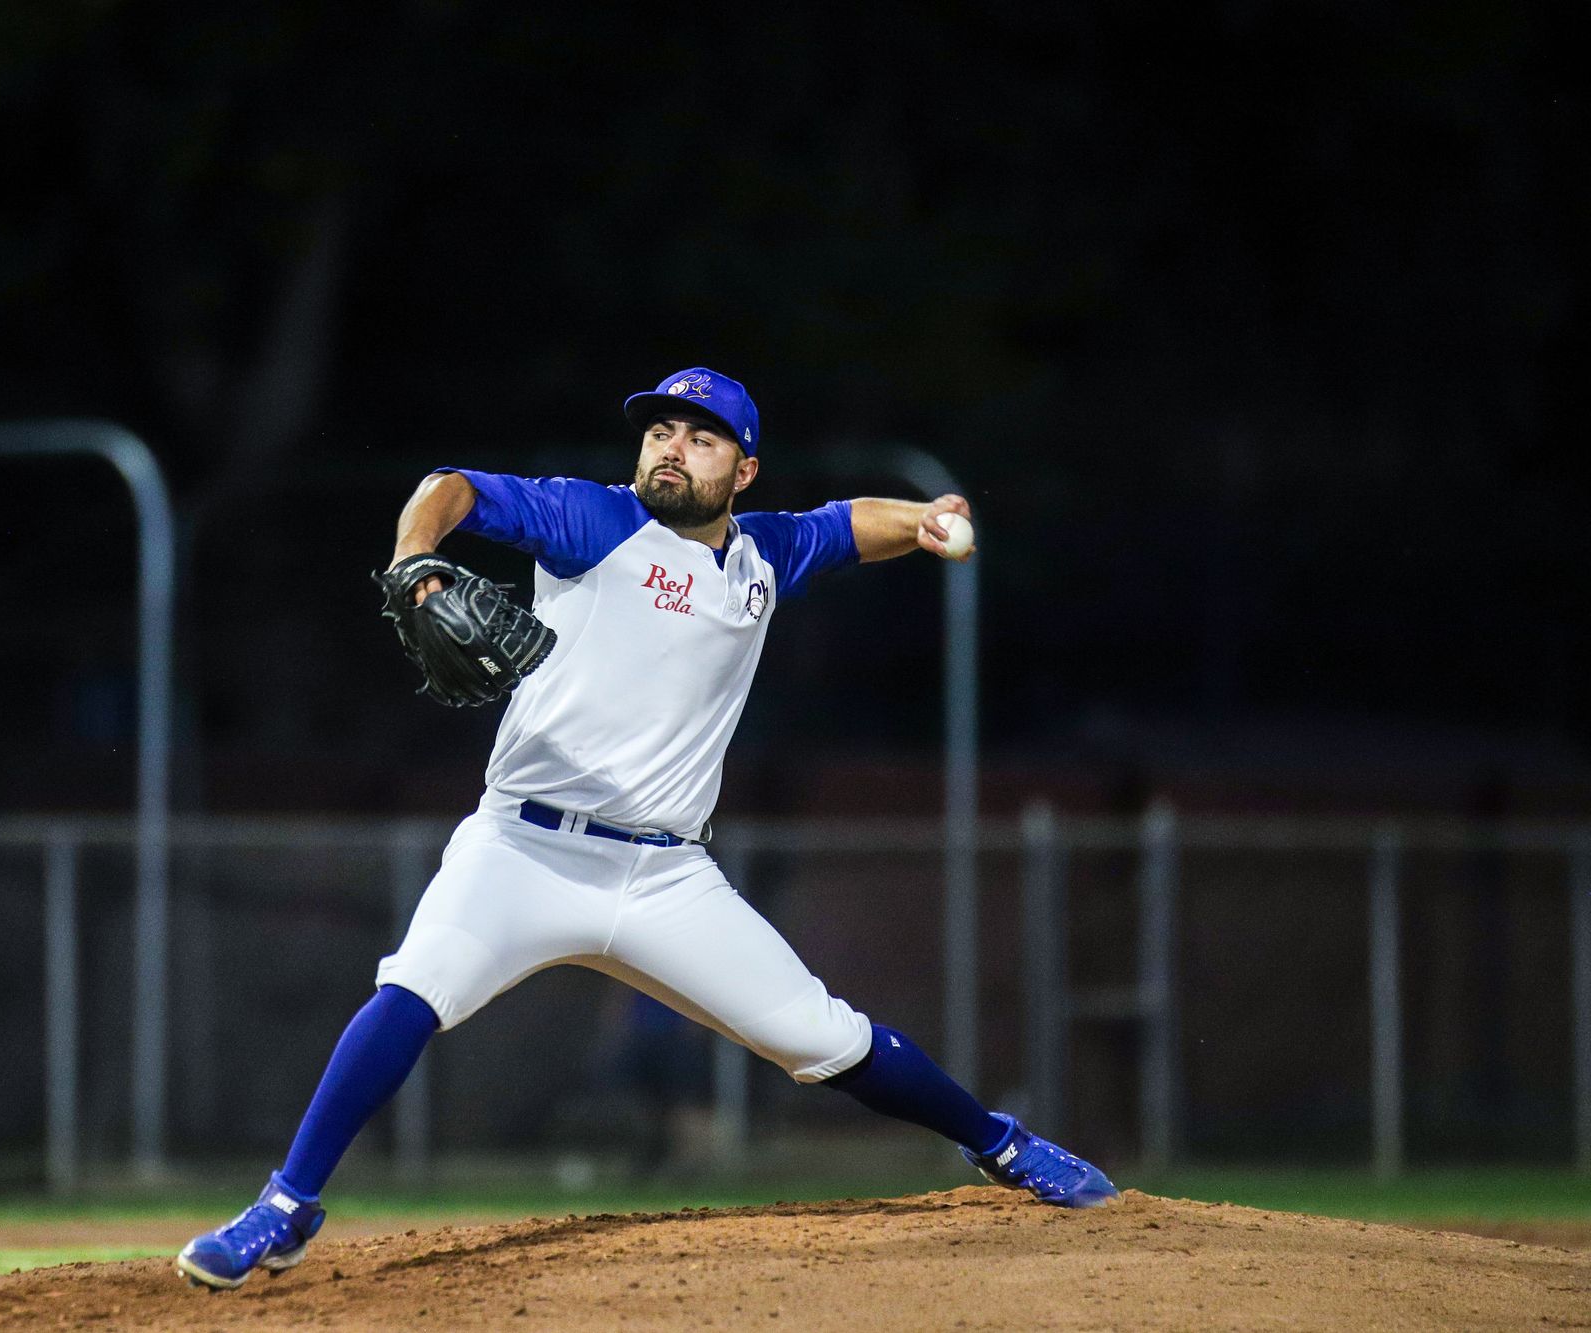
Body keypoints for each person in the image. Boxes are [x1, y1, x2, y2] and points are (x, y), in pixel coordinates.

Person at [176, 368, 1115, 1290]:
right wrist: (416, 566)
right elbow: (448, 490)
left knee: (825, 1038)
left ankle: (1002, 1143)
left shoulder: (761, 557)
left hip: (668, 876)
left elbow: (845, 526)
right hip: (523, 849)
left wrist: (922, 519)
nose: (673, 446)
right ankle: (288, 1204)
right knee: (412, 988)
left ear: (743, 471)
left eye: (701, 437)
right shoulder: (593, 520)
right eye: (661, 429)